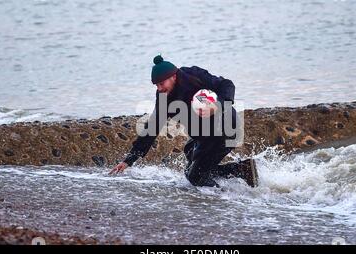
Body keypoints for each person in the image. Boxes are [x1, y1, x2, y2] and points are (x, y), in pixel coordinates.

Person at [109, 55, 257, 187]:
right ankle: (242, 170)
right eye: (156, 85)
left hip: (226, 129)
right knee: (190, 161)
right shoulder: (163, 96)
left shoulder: (194, 75)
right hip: (204, 135)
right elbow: (153, 126)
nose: (159, 88)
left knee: (195, 177)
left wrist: (217, 106)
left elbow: (227, 84)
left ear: (173, 76)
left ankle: (225, 198)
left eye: (162, 84)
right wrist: (129, 159)